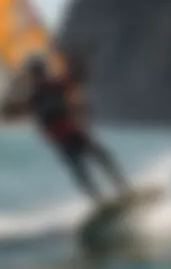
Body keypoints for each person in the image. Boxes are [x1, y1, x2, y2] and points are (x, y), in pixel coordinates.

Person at [19, 55, 130, 204]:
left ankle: (124, 189)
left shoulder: (56, 85)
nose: (40, 76)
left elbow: (78, 76)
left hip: (74, 131)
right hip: (61, 139)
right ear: (33, 76)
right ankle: (99, 201)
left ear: (44, 71)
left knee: (102, 156)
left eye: (41, 72)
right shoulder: (34, 97)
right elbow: (19, 110)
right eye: (36, 74)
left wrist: (77, 61)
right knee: (81, 172)